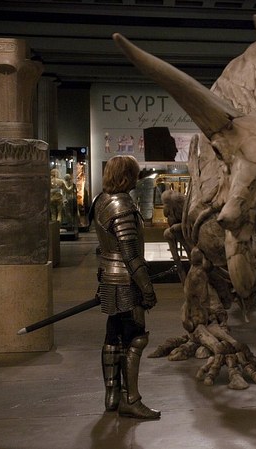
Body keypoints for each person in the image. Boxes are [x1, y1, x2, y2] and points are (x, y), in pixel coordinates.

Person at [94, 155, 160, 420]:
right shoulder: (122, 205)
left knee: (113, 337)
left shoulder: (102, 200)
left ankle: (112, 395)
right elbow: (131, 255)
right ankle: (131, 399)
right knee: (135, 338)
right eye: (134, 172)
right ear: (126, 175)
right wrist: (147, 288)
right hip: (126, 281)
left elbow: (104, 247)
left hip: (109, 277)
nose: (137, 177)